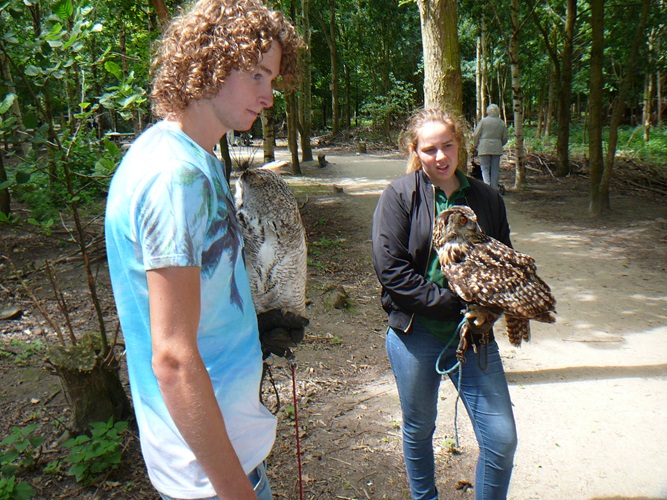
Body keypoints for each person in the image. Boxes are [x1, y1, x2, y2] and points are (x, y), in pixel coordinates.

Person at [104, 1, 302, 498]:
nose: (268, 96)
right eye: (257, 75)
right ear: (212, 61)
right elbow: (172, 359)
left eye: (272, 79)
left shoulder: (197, 160)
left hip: (225, 458)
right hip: (211, 477)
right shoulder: (175, 177)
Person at [371, 108, 517, 500]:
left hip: (474, 336)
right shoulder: (400, 196)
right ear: (415, 152)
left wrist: (491, 307)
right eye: (430, 148)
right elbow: (392, 272)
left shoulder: (486, 198)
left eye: (447, 146)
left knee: (501, 440)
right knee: (419, 429)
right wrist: (452, 305)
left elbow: (504, 260)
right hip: (415, 335)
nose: (440, 156)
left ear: (460, 146)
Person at [472, 104, 509, 191]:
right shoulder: (501, 123)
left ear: (488, 111)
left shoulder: (483, 121)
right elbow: (505, 138)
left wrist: (475, 144)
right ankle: (494, 188)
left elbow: (476, 134)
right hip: (497, 148)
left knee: (484, 169)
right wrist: (500, 144)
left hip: (484, 147)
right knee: (495, 169)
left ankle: (486, 187)